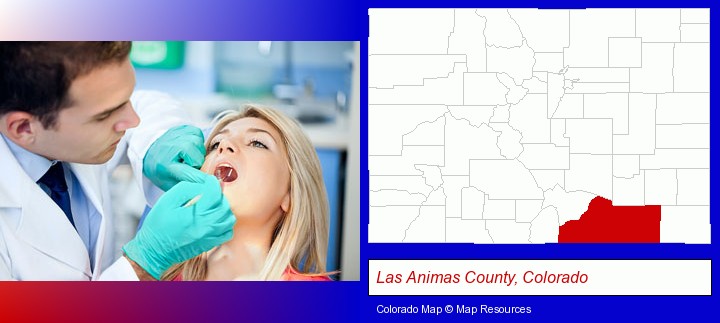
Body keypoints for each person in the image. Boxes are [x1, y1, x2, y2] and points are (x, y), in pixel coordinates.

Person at [0, 42, 235, 281]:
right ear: (23, 127)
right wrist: (143, 264)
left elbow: (144, 103)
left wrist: (157, 139)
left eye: (126, 99)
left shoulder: (71, 115)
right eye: (105, 116)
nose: (133, 120)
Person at [160, 105, 334, 281]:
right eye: (215, 144)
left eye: (257, 143)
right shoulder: (158, 276)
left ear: (290, 194)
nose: (224, 145)